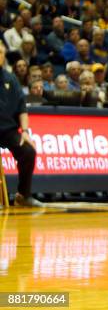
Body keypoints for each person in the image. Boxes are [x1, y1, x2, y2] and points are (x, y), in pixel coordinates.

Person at [0, 43, 42, 207]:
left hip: (8, 130)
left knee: (28, 151)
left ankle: (23, 195)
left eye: (1, 53)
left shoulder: (11, 79)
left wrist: (25, 131)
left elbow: (22, 108)